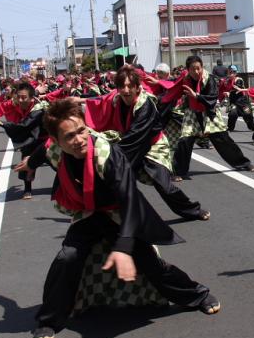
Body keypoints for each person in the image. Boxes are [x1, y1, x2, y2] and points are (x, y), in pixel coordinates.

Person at [15, 98, 220, 338]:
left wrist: (123, 247)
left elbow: (129, 198)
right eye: (69, 137)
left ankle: (197, 295)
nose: (79, 140)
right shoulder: (54, 148)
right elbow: (42, 150)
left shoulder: (106, 154)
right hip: (87, 213)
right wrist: (30, 162)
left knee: (148, 261)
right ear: (58, 141)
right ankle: (49, 320)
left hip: (119, 211)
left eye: (82, 131)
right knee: (66, 258)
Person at [83, 66, 210, 221]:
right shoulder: (117, 99)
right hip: (131, 144)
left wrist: (111, 155)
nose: (126, 90)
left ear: (138, 87)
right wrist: (78, 101)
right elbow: (100, 100)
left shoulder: (145, 105)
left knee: (164, 186)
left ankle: (193, 210)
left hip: (152, 147)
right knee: (113, 178)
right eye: (122, 86)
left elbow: (135, 137)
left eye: (130, 86)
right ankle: (108, 214)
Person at [162, 55, 254, 179]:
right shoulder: (185, 78)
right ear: (188, 69)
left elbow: (212, 97)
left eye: (198, 68)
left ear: (202, 67)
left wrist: (196, 96)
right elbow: (172, 87)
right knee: (185, 140)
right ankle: (178, 171)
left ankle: (243, 163)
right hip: (192, 112)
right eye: (192, 69)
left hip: (209, 112)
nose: (196, 72)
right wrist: (158, 82)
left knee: (223, 139)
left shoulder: (210, 79)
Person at [0, 81, 46, 199]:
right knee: (25, 161)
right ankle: (28, 188)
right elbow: (1, 107)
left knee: (58, 164)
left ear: (31, 98)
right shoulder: (14, 102)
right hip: (30, 138)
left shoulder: (38, 108)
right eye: (18, 97)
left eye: (23, 98)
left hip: (45, 139)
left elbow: (23, 126)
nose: (20, 100)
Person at [221, 65, 254, 132]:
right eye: (230, 72)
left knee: (247, 114)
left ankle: (252, 126)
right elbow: (223, 90)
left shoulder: (239, 79)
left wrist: (229, 92)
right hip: (234, 103)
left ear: (236, 73)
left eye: (233, 72)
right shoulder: (226, 82)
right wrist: (224, 97)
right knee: (232, 113)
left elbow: (237, 88)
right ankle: (230, 127)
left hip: (243, 102)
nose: (231, 73)